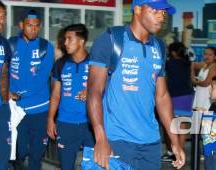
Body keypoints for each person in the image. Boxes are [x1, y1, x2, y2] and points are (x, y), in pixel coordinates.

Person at [87, 0, 185, 169]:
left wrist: (174, 141)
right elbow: (94, 91)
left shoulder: (159, 46)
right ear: (138, 9)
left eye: (163, 12)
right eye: (155, 10)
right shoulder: (111, 39)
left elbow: (161, 96)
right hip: (118, 139)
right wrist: (101, 137)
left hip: (151, 142)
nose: (161, 17)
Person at [8, 10, 54, 170]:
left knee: (36, 155)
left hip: (40, 110)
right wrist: (6, 92)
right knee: (18, 152)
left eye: (36, 26)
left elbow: (42, 78)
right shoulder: (10, 44)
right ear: (21, 25)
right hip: (16, 110)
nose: (33, 29)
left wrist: (20, 94)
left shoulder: (46, 47)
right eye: (29, 25)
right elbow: (3, 72)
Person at [47, 24, 94, 170]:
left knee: (93, 167)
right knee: (66, 166)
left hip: (92, 125)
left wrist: (91, 91)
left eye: (69, 39)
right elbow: (55, 94)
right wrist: (50, 119)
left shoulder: (96, 63)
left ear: (81, 41)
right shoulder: (60, 64)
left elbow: (108, 89)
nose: (65, 42)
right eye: (65, 39)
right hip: (65, 124)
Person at [161, 42, 193, 162]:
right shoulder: (187, 63)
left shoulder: (169, 63)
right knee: (183, 125)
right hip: (187, 95)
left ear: (173, 52)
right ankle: (180, 151)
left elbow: (164, 79)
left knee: (172, 125)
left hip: (173, 95)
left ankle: (174, 152)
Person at [0, 1, 12, 169]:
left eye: (3, 17)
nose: (1, 20)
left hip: (0, 106)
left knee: (2, 152)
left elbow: (4, 74)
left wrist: (6, 98)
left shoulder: (4, 44)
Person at [192, 46, 216, 111]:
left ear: (215, 56)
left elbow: (206, 83)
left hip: (207, 96)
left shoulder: (214, 67)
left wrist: (194, 81)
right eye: (205, 54)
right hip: (200, 94)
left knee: (204, 118)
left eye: (210, 55)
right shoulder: (204, 65)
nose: (207, 56)